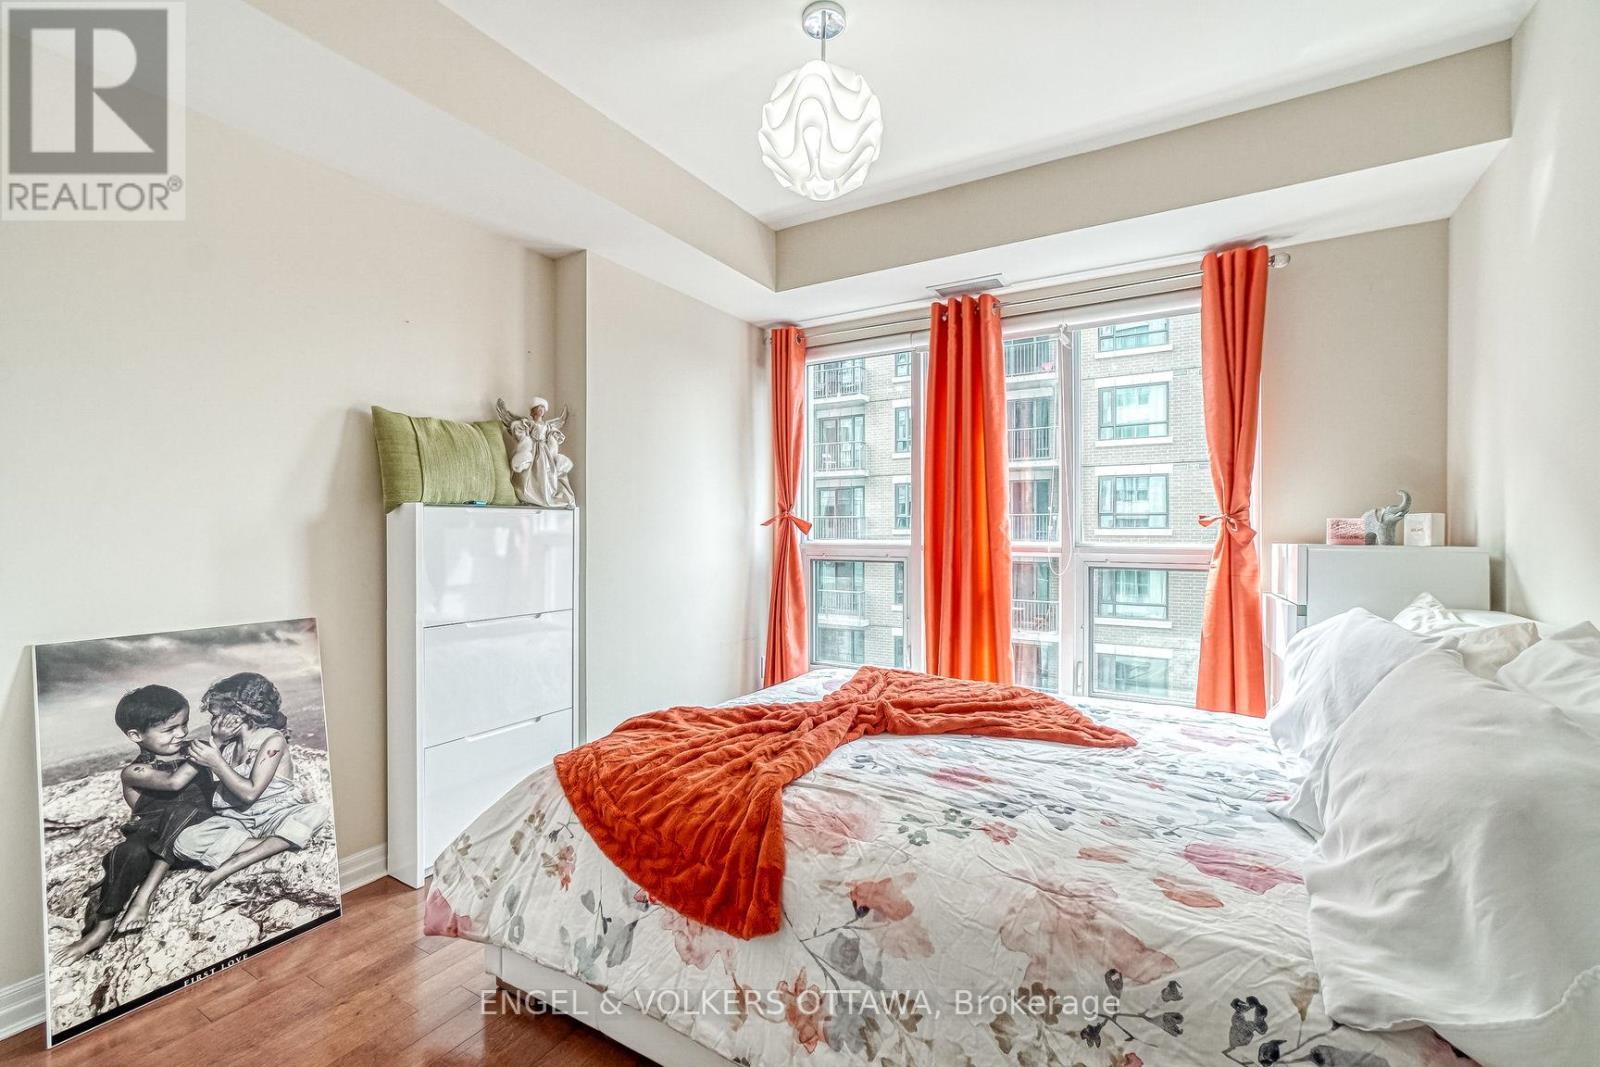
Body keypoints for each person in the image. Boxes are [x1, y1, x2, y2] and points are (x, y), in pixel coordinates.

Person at [54, 686, 225, 964]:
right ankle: (102, 927)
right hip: (153, 835)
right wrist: (212, 748)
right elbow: (174, 782)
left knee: (184, 811)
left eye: (184, 724)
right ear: (136, 735)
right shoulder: (135, 771)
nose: (181, 733)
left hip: (196, 829)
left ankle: (142, 898)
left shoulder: (193, 750)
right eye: (169, 729)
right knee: (127, 853)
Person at [185, 673, 329, 903]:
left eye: (216, 716)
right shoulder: (228, 747)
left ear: (240, 712)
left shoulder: (272, 740)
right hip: (240, 820)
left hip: (275, 815)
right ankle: (273, 844)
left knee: (317, 812)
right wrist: (217, 746)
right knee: (186, 839)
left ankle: (232, 865)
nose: (212, 723)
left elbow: (251, 793)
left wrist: (215, 762)